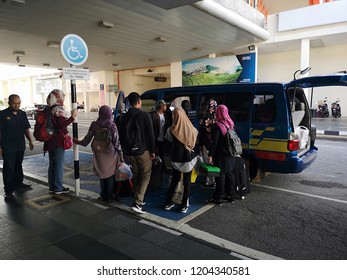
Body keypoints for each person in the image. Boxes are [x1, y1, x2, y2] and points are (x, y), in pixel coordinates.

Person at [74, 105, 123, 203]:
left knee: (102, 174)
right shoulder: (112, 125)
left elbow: (86, 141)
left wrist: (78, 142)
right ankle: (109, 197)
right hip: (110, 154)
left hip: (99, 152)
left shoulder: (95, 125)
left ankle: (103, 195)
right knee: (110, 175)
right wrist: (121, 156)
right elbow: (116, 143)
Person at [119, 92, 155, 214]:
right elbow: (151, 135)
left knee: (136, 174)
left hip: (129, 152)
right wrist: (153, 151)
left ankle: (137, 197)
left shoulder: (123, 117)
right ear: (139, 102)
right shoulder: (145, 115)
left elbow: (121, 135)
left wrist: (125, 151)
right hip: (142, 151)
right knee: (146, 175)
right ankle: (138, 202)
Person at [164, 107, 198, 214]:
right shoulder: (191, 128)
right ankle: (184, 205)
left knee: (175, 179)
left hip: (175, 158)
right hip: (187, 158)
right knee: (186, 182)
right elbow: (195, 136)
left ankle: (168, 202)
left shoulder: (171, 129)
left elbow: (167, 139)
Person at [0, 94, 34, 200]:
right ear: (9, 103)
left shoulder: (22, 114)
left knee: (18, 165)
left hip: (20, 145)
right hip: (8, 146)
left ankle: (19, 183)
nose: (17, 105)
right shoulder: (2, 114)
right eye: (14, 103)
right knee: (9, 168)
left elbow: (26, 128)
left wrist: (30, 141)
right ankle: (8, 191)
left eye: (18, 103)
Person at [44, 89, 77, 195]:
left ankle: (52, 187)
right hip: (58, 140)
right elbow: (61, 125)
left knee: (52, 164)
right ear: (58, 98)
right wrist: (72, 117)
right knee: (58, 164)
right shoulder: (58, 109)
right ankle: (58, 188)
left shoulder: (47, 109)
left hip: (49, 140)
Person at [207, 104, 236, 205]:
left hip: (220, 155)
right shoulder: (230, 123)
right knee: (229, 174)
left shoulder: (217, 126)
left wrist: (210, 155)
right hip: (231, 153)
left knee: (220, 175)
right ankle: (230, 195)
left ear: (218, 112)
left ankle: (218, 197)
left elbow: (214, 143)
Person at [199, 98, 217, 189]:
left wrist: (199, 144)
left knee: (208, 161)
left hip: (207, 142)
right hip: (215, 143)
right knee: (214, 161)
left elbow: (202, 131)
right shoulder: (217, 116)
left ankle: (210, 182)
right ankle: (215, 180)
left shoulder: (205, 117)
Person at [150, 100, 170, 168]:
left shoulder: (164, 115)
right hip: (155, 138)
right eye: (165, 106)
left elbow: (167, 125)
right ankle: (155, 166)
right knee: (154, 153)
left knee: (161, 153)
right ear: (161, 106)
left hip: (162, 138)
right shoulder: (153, 115)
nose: (166, 107)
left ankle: (162, 166)